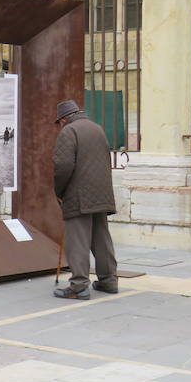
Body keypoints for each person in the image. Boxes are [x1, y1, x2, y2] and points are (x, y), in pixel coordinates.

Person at [52, 100, 118, 300]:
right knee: (101, 238)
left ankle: (79, 285)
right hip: (102, 192)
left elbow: (62, 166)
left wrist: (59, 191)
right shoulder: (97, 128)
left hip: (78, 194)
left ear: (63, 119)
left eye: (59, 122)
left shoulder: (69, 131)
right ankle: (108, 281)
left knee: (77, 240)